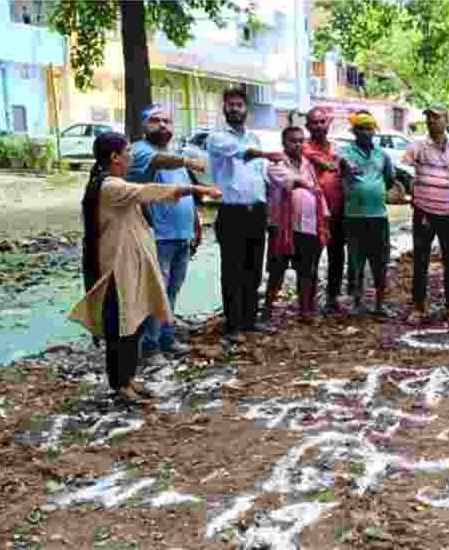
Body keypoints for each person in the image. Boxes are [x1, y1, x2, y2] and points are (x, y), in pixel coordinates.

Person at [70, 131, 221, 404]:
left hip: (129, 267)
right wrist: (198, 190)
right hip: (115, 270)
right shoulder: (109, 186)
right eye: (127, 151)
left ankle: (127, 379)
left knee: (134, 323)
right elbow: (150, 192)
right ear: (114, 157)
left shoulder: (114, 184)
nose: (131, 156)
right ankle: (120, 384)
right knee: (121, 328)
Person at [127, 104, 207, 366]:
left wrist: (196, 223)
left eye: (168, 121)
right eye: (156, 120)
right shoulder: (140, 151)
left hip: (182, 235)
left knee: (171, 291)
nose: (163, 125)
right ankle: (149, 348)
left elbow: (184, 191)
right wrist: (188, 160)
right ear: (144, 125)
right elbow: (158, 163)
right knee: (155, 292)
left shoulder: (173, 155)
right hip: (157, 237)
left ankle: (167, 338)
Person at [206, 88, 284, 344]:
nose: (235, 109)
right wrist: (266, 154)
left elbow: (261, 176)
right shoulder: (217, 138)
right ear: (224, 109)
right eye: (230, 105)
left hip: (256, 212)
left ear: (246, 109)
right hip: (232, 213)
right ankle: (234, 325)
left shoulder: (254, 137)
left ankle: (250, 321)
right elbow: (242, 153)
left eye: (239, 105)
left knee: (253, 269)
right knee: (232, 271)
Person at [402, 106, 449, 325]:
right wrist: (412, 191)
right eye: (428, 117)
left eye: (436, 117)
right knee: (420, 260)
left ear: (447, 120)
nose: (431, 121)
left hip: (448, 212)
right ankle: (419, 308)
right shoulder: (417, 146)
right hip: (423, 212)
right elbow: (404, 172)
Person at [264, 126, 331, 324]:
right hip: (282, 227)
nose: (299, 145)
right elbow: (286, 180)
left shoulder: (307, 165)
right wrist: (305, 184)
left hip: (308, 226)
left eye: (302, 141)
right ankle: (267, 311)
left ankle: (305, 311)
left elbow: (318, 191)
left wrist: (324, 217)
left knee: (307, 271)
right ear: (284, 143)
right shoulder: (276, 164)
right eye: (294, 141)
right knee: (277, 271)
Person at [338, 111, 399, 317]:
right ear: (354, 131)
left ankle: (380, 305)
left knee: (380, 261)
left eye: (369, 128)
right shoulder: (345, 153)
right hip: (354, 216)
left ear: (374, 131)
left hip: (378, 216)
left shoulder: (382, 155)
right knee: (356, 260)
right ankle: (357, 303)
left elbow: (389, 180)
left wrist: (376, 189)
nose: (366, 132)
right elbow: (340, 169)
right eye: (361, 128)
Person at [303, 106, 349, 314]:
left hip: (338, 211)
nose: (319, 126)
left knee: (337, 257)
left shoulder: (337, 147)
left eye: (323, 122)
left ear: (328, 124)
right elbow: (321, 163)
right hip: (314, 214)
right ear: (308, 126)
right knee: (311, 258)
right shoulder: (303, 147)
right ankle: (308, 303)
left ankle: (332, 298)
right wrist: (335, 164)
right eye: (315, 122)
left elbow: (345, 172)